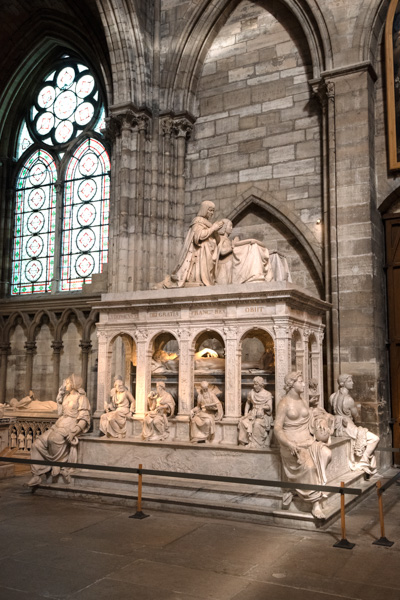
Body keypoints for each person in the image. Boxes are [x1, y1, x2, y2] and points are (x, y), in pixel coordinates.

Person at [274, 371, 331, 519]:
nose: (304, 384)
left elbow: (312, 419)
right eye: (300, 381)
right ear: (291, 384)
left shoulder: (303, 400)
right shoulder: (284, 403)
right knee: (310, 467)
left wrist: (322, 421)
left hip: (308, 441)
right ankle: (315, 503)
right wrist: (288, 443)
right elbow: (277, 428)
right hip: (293, 445)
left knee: (327, 453)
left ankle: (316, 486)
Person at [27, 374, 91, 486]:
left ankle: (58, 464)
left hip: (71, 424)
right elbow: (60, 413)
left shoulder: (82, 398)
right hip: (59, 423)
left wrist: (74, 431)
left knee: (53, 439)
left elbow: (84, 418)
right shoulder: (66, 397)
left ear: (74, 384)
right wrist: (60, 395)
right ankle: (36, 475)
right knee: (36, 444)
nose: (65, 385)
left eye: (67, 383)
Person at [161, 200, 224, 287]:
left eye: (213, 210)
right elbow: (198, 236)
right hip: (200, 253)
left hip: (208, 253)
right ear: (204, 210)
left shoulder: (208, 223)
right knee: (200, 274)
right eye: (210, 210)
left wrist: (216, 231)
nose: (212, 213)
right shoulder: (198, 221)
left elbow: (217, 240)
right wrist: (213, 228)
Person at [329, 374, 379, 477]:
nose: (353, 383)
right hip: (347, 426)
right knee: (374, 438)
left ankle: (368, 465)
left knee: (363, 438)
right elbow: (356, 416)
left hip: (336, 424)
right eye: (350, 381)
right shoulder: (349, 400)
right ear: (343, 383)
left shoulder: (332, 396)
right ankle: (363, 461)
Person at [215, 219, 273, 285]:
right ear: (224, 227)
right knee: (250, 248)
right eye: (230, 226)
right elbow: (222, 251)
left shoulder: (228, 240)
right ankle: (253, 275)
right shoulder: (220, 238)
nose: (231, 228)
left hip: (232, 262)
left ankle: (255, 274)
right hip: (225, 265)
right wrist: (233, 245)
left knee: (252, 247)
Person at [238, 376, 273, 447]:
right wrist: (245, 413)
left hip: (263, 415)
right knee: (243, 422)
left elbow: (269, 407)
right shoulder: (251, 393)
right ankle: (245, 441)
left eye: (256, 384)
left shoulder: (267, 394)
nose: (254, 386)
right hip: (253, 413)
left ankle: (256, 443)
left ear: (261, 385)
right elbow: (248, 403)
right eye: (254, 384)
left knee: (257, 424)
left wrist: (262, 408)